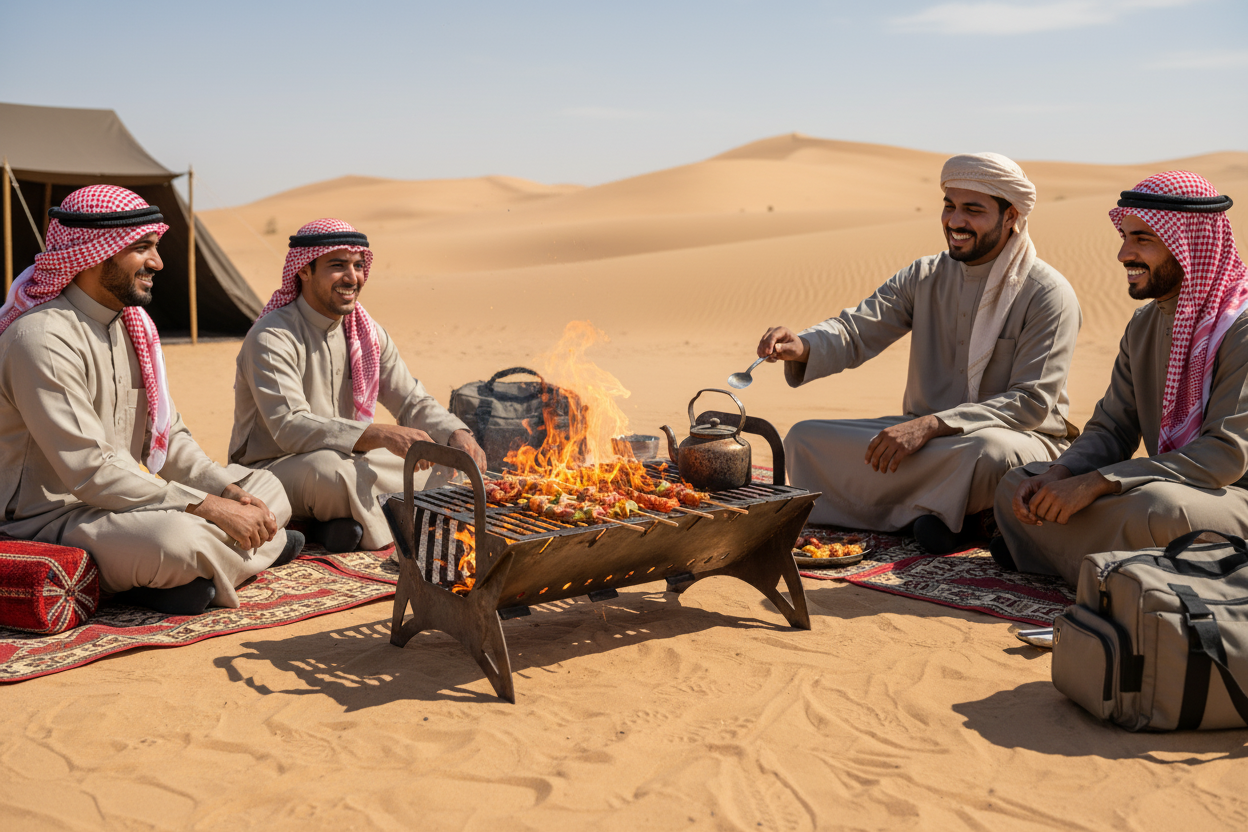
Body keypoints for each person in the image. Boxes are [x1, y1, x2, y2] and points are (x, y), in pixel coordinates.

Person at [757, 153, 1081, 553]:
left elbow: (1030, 403)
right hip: (924, 445)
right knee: (806, 438)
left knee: (986, 453)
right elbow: (857, 328)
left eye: (973, 210)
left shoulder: (1047, 294)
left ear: (1010, 215)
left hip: (1017, 440)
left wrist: (932, 425)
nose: (955, 221)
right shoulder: (923, 276)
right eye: (950, 206)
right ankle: (952, 517)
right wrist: (804, 344)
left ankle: (953, 517)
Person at [0, 186, 301, 615]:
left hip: (128, 503)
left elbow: (169, 438)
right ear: (93, 252)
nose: (158, 263)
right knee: (177, 540)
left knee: (268, 490)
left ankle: (188, 576)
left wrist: (228, 494)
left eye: (155, 247)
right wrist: (208, 508)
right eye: (143, 248)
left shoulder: (133, 326)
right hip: (52, 520)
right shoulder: (41, 338)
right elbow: (91, 472)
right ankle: (234, 556)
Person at [992, 172, 1247, 585]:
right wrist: (1064, 474)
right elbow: (1113, 428)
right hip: (1164, 484)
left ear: (1189, 247)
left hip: (1231, 497)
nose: (1123, 254)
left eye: (1143, 239)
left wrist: (1100, 482)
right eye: (1125, 237)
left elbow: (1224, 456)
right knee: (1018, 485)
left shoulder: (1241, 327)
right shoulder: (1144, 324)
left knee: (1157, 507)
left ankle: (1055, 554)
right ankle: (1114, 568)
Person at [230, 219, 486, 553]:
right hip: (274, 466)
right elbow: (290, 427)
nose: (353, 278)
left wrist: (455, 434)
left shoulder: (365, 332)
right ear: (304, 270)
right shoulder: (272, 337)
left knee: (443, 461)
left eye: (358, 265)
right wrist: (378, 434)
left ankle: (341, 526)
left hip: (348, 456)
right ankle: (398, 536)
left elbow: (410, 400)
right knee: (331, 473)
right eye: (337, 266)